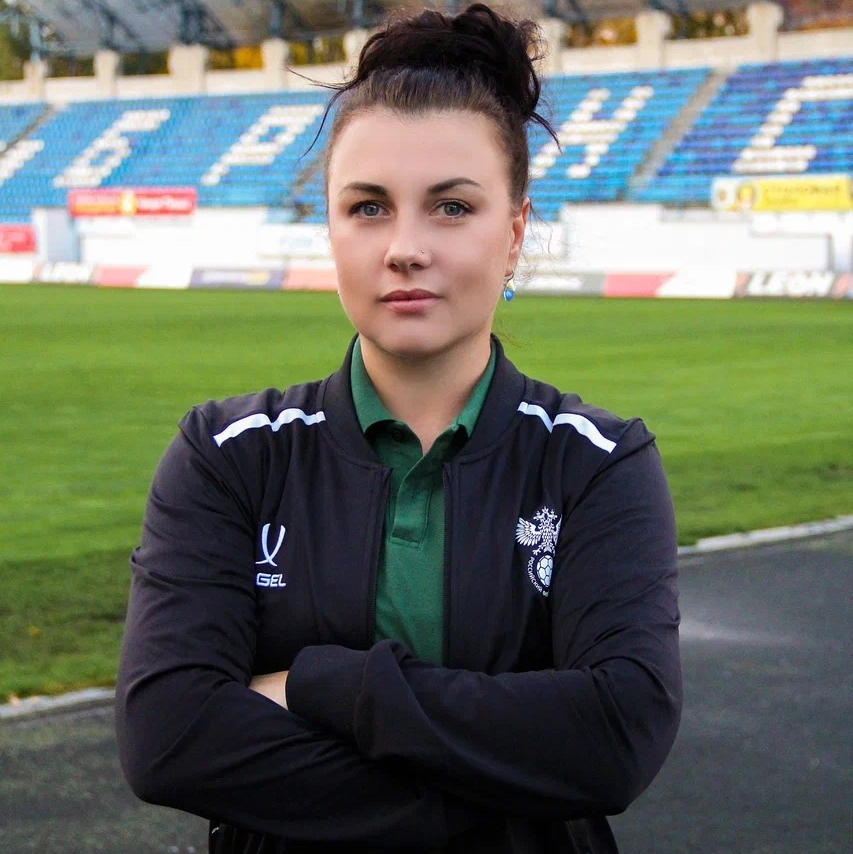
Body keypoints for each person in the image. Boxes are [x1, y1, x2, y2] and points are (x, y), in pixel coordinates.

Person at [115, 5, 681, 853]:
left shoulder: (596, 462)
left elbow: (616, 735)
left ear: (514, 234)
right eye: (368, 207)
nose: (404, 247)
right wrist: (500, 805)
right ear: (331, 229)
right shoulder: (229, 454)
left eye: (450, 207)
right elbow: (169, 738)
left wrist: (319, 683)